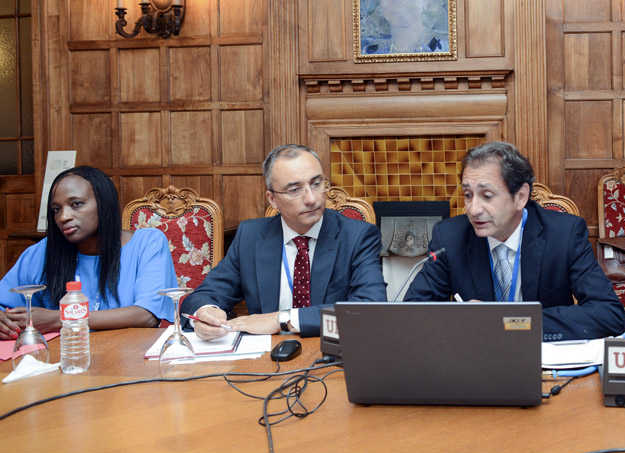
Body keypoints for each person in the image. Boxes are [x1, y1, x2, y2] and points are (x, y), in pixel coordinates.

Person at [404, 142, 625, 341]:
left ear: (520, 197)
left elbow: (608, 313)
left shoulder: (563, 234)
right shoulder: (450, 238)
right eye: (468, 195)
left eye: (487, 196)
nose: (473, 209)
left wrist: (513, 322)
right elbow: (412, 313)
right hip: (476, 360)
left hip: (543, 361)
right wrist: (461, 319)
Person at [181, 145, 387, 339]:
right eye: (294, 190)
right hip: (266, 357)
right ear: (272, 199)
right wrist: (206, 312)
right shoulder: (251, 236)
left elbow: (370, 309)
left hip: (332, 353)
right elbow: (204, 296)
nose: (311, 199)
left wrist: (282, 319)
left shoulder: (358, 236)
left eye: (316, 184)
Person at [0, 166, 177, 339]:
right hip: (63, 359)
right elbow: (4, 302)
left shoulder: (147, 243)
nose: (63, 217)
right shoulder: (44, 251)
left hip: (129, 358)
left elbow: (146, 316)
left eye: (76, 204)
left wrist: (59, 318)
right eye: (56, 209)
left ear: (103, 203)